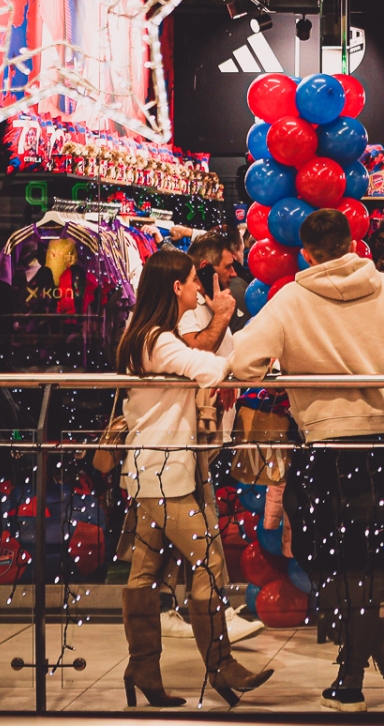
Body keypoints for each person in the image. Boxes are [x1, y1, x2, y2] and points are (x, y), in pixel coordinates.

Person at [231, 209, 384, 712]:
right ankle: (380, 649)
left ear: (306, 253)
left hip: (328, 439)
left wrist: (289, 371)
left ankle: (353, 677)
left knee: (324, 553)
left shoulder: (291, 298)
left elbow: (244, 361)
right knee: (365, 557)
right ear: (352, 244)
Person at [114, 248, 274, 707]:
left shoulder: (142, 333)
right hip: (168, 471)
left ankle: (143, 668)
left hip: (149, 470)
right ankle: (220, 665)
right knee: (209, 565)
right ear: (175, 287)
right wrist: (227, 322)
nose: (199, 289)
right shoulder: (158, 340)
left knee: (145, 571)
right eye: (192, 281)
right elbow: (211, 369)